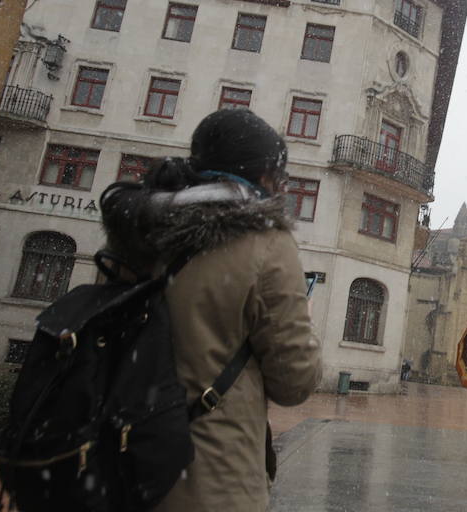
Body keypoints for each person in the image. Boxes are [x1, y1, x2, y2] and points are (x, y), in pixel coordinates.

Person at [100, 108, 322, 512]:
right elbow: (295, 381)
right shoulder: (266, 245)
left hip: (117, 463)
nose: (283, 189)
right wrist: (302, 321)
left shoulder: (138, 228)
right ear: (262, 177)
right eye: (281, 178)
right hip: (209, 475)